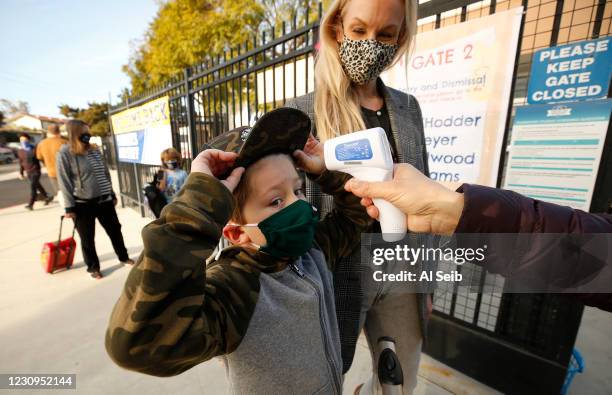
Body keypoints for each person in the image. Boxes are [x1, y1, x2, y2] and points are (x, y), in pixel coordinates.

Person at [105, 108, 371, 394]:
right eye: (276, 201)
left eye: (298, 189)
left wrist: (324, 170)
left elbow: (359, 212)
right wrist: (197, 208)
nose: (299, 205)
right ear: (236, 232)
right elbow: (134, 346)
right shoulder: (234, 286)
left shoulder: (313, 250)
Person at [285, 0, 430, 391]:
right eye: (360, 30)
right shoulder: (302, 114)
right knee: (326, 377)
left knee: (399, 383)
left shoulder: (408, 108)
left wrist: (426, 281)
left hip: (402, 269)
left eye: (386, 34)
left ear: (401, 36)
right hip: (337, 275)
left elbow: (425, 190)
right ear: (336, 28)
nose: (371, 44)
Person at [344, 162, 612, 311]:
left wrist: (451, 212)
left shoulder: (406, 105)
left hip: (406, 268)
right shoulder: (310, 114)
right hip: (352, 273)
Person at [56, 120, 134, 280]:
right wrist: (69, 207)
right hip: (82, 204)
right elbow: (64, 181)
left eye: (88, 131)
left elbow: (104, 174)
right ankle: (93, 267)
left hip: (104, 200)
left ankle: (123, 257)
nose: (88, 135)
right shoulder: (65, 153)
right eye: (85, 131)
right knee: (87, 238)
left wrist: (111, 193)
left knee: (115, 230)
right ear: (75, 133)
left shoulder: (94, 150)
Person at [17, 133, 52, 210]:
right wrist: (21, 172)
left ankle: (30, 204)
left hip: (36, 170)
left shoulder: (35, 148)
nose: (23, 141)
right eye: (21, 140)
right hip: (28, 172)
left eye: (24, 140)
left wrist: (47, 166)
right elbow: (21, 163)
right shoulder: (20, 151)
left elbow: (41, 158)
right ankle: (47, 196)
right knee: (37, 185)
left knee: (33, 187)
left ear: (28, 140)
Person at [36, 124, 68, 199]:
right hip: (66, 171)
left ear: (48, 133)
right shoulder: (64, 142)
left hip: (51, 171)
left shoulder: (41, 144)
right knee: (70, 192)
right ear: (59, 132)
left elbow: (39, 157)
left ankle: (66, 208)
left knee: (60, 193)